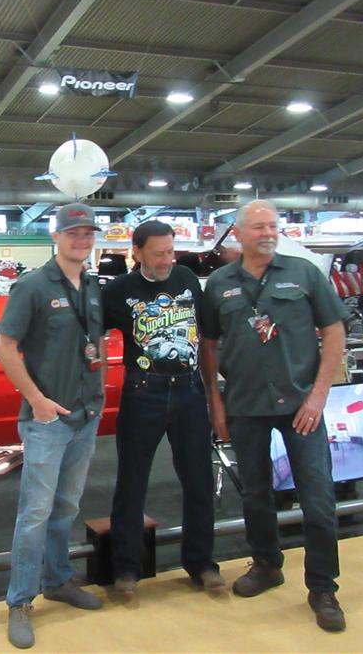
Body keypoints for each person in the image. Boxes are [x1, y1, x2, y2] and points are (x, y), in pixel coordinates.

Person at [200, 200, 349, 632]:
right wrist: (216, 402)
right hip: (245, 404)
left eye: (273, 226)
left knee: (317, 497)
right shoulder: (220, 284)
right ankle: (267, 564)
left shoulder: (304, 274)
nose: (268, 233)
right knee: (255, 493)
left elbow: (334, 330)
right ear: (237, 234)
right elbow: (208, 344)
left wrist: (318, 396)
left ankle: (323, 587)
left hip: (302, 405)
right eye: (258, 227)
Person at [0, 202, 106, 649]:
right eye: (73, 233)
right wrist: (36, 400)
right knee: (35, 514)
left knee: (66, 507)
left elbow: (94, 343)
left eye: (88, 233)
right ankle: (20, 601)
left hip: (86, 416)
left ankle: (58, 580)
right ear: (55, 236)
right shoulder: (33, 286)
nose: (81, 240)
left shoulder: (93, 286)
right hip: (48, 421)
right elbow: (4, 346)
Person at [101, 220, 225, 597]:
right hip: (143, 394)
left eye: (170, 251)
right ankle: (126, 569)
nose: (167, 260)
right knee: (132, 482)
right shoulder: (117, 291)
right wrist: (95, 385)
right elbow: (93, 338)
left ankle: (202, 564)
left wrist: (213, 394)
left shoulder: (186, 279)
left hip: (189, 392)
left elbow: (206, 337)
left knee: (199, 480)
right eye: (158, 254)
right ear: (136, 252)